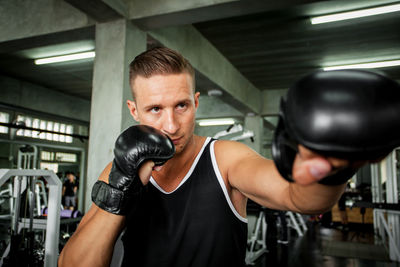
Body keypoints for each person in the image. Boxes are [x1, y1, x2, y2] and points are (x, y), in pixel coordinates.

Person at [58, 47, 380, 267]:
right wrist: (122, 187)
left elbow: (298, 197)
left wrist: (335, 163)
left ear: (196, 102)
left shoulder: (224, 159)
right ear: (134, 110)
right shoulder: (117, 171)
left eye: (181, 105)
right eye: (155, 109)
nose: (170, 125)